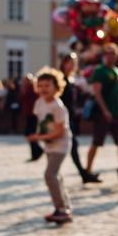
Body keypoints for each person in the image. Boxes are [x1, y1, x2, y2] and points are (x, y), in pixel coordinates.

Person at [26, 67, 73, 224]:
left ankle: (61, 209)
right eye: (40, 85)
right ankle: (64, 206)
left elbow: (59, 132)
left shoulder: (58, 107)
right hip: (49, 145)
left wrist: (39, 137)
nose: (43, 89)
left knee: (49, 175)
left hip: (61, 145)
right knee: (56, 176)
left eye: (47, 85)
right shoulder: (39, 103)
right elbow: (39, 122)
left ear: (56, 87)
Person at [86, 42, 118, 180]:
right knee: (96, 142)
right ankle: (87, 170)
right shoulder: (100, 71)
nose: (110, 56)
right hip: (103, 114)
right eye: (108, 53)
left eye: (113, 53)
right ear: (104, 55)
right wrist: (105, 110)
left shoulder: (117, 71)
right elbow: (97, 92)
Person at [59, 52, 100, 184]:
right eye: (69, 62)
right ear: (64, 63)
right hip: (62, 118)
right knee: (70, 147)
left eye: (74, 63)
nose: (72, 65)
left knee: (72, 147)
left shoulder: (72, 80)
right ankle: (83, 173)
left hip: (70, 117)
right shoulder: (60, 79)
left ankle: (83, 173)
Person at [20, 75, 42, 161]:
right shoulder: (28, 88)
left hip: (33, 114)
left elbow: (24, 98)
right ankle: (36, 153)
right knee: (29, 134)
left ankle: (37, 152)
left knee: (30, 134)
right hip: (30, 114)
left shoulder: (31, 89)